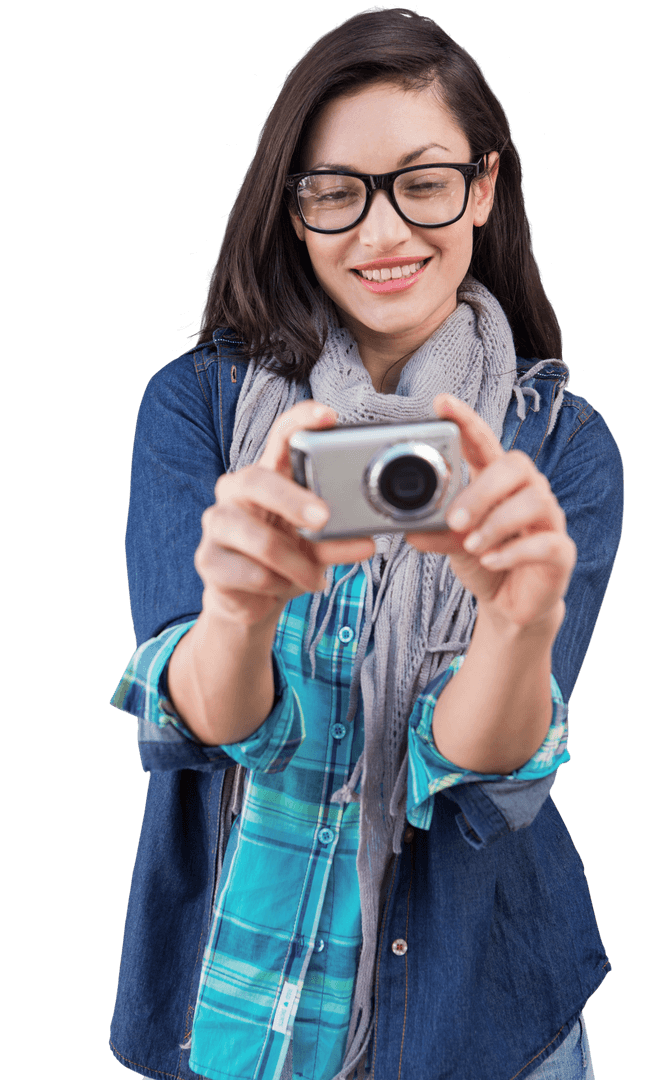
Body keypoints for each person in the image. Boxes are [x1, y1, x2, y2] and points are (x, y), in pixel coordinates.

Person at [109, 8, 623, 1080]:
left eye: (423, 182)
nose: (383, 234)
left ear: (484, 186)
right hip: (233, 1000)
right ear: (294, 210)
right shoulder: (198, 410)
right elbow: (197, 722)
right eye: (338, 191)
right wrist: (240, 614)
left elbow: (484, 769)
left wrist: (519, 626)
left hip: (481, 1017)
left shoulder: (560, 448)